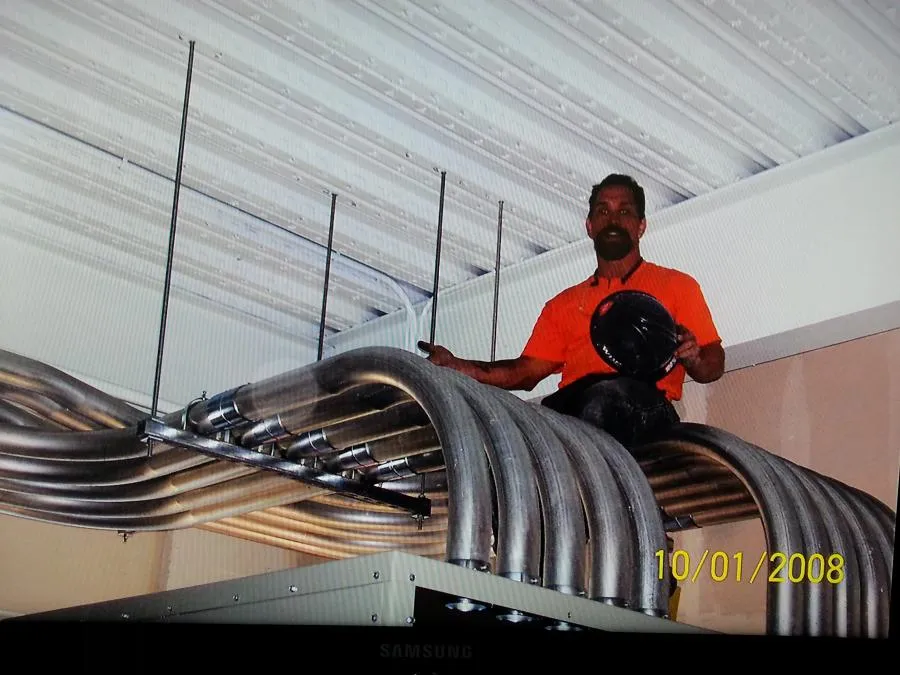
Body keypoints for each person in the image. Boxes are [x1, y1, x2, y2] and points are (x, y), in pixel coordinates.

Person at [418, 173, 725, 448]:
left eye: (625, 212)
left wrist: (694, 358)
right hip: (576, 407)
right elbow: (525, 373)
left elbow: (713, 365)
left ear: (641, 226)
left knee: (603, 402)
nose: (613, 220)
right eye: (603, 211)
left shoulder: (677, 286)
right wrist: (461, 368)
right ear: (590, 226)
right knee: (528, 426)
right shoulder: (562, 305)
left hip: (642, 407)